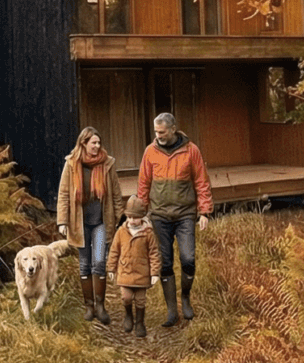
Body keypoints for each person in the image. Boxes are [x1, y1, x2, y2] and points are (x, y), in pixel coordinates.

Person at [135, 111, 212, 327]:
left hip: (185, 214)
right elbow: (143, 184)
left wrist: (204, 212)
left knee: (188, 259)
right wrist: (141, 215)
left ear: (173, 129)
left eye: (162, 132)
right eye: (156, 132)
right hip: (159, 216)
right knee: (165, 262)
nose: (158, 136)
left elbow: (202, 182)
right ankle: (171, 310)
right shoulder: (150, 152)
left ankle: (185, 298)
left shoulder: (191, 150)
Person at [54, 126, 119, 325]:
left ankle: (100, 306)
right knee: (84, 264)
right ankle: (89, 306)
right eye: (93, 143)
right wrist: (62, 221)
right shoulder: (72, 164)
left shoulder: (107, 164)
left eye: (99, 143)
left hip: (100, 222)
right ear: (84, 143)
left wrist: (120, 218)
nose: (97, 146)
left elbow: (116, 194)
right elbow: (64, 194)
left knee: (98, 262)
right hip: (79, 223)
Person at [108, 195, 161, 339]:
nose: (132, 220)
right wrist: (111, 268)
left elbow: (154, 253)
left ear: (142, 217)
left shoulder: (148, 233)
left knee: (140, 300)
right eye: (129, 217)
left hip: (142, 273)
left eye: (135, 218)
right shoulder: (121, 232)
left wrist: (154, 272)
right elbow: (114, 251)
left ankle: (140, 322)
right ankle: (128, 315)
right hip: (125, 271)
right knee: (126, 297)